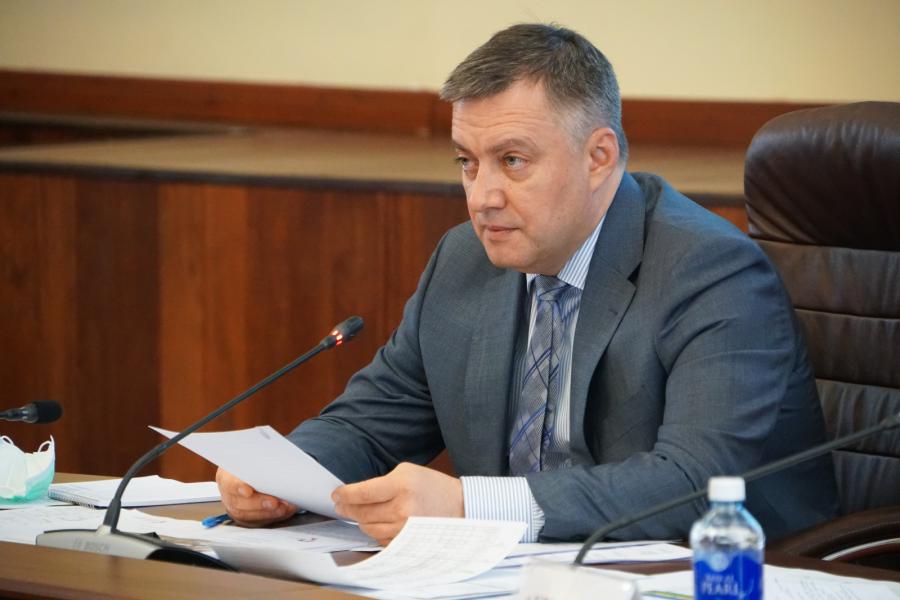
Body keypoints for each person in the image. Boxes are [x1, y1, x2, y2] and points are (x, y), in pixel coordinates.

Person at [216, 23, 839, 546]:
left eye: (512, 161)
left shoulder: (708, 270)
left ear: (599, 158)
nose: (481, 197)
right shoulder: (465, 259)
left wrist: (469, 507)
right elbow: (373, 423)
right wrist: (281, 476)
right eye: (468, 162)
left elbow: (693, 483)